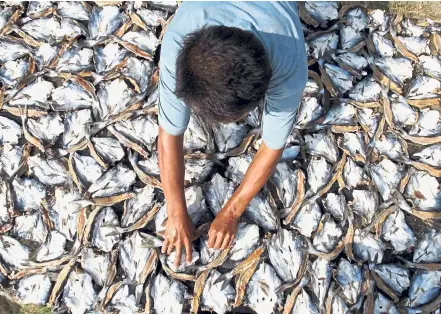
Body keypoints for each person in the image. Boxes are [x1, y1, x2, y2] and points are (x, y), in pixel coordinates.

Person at [158, 2, 307, 266]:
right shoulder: (178, 43)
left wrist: (231, 212)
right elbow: (169, 134)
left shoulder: (289, 60)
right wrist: (175, 209)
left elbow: (273, 145)